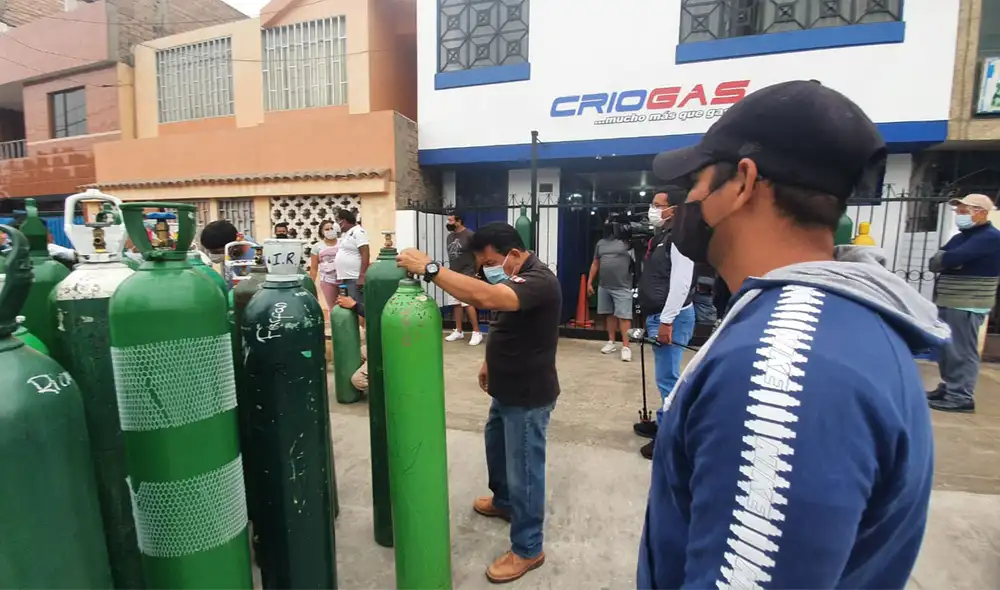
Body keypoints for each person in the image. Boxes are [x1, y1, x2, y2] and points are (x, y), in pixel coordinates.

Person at [637, 80, 947, 589]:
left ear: (742, 181)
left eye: (695, 181)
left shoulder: (780, 370)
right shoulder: (824, 323)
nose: (686, 200)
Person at [396, 222, 560, 584]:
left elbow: (488, 299)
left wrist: (432, 269)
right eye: (483, 264)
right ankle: (503, 502)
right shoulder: (511, 278)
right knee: (497, 450)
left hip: (528, 395)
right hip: (505, 387)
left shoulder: (539, 281)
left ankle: (529, 549)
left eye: (491, 262)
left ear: (516, 254)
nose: (488, 269)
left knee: (526, 472)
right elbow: (503, 323)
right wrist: (490, 362)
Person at [632, 189, 696, 459]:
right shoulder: (663, 237)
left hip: (672, 316)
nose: (653, 210)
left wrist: (667, 321)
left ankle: (672, 438)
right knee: (664, 376)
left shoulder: (680, 239)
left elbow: (681, 284)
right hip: (659, 315)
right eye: (653, 204)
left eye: (659, 205)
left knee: (668, 377)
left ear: (676, 209)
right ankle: (663, 421)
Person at [927, 193, 1000, 413]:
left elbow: (949, 259)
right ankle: (949, 387)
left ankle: (960, 396)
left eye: (964, 210)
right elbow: (935, 262)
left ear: (981, 213)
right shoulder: (962, 237)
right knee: (948, 349)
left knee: (962, 351)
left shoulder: (990, 237)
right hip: (950, 300)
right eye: (958, 210)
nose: (959, 214)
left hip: (967, 302)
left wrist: (950, 261)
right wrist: (950, 261)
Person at [587, 220, 634, 361]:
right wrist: (589, 282)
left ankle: (626, 346)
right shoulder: (600, 243)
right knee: (609, 314)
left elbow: (637, 261)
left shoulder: (627, 242)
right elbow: (595, 263)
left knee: (624, 317)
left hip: (623, 285)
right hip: (604, 285)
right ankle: (611, 342)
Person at [444, 213, 483, 346]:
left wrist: (475, 273)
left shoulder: (470, 235)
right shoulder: (450, 237)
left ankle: (476, 332)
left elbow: (478, 256)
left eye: (450, 220)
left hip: (467, 273)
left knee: (468, 303)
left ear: (459, 221)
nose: (448, 222)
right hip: (453, 273)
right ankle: (459, 330)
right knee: (455, 303)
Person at [334, 209, 370, 305]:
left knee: (356, 305)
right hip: (346, 278)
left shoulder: (358, 232)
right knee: (349, 307)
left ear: (344, 221)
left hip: (354, 277)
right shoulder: (347, 234)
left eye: (338, 220)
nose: (336, 224)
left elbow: (365, 252)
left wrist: (362, 276)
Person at [335, 293, 368, 393]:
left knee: (358, 380)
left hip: (390, 351)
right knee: (353, 355)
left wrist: (355, 306)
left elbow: (379, 313)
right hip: (377, 346)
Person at [310, 219, 340, 308]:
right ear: (322, 232)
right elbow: (314, 268)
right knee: (333, 307)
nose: (330, 231)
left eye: (332, 228)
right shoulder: (317, 247)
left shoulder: (344, 243)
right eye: (327, 229)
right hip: (327, 281)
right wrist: (311, 285)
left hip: (345, 280)